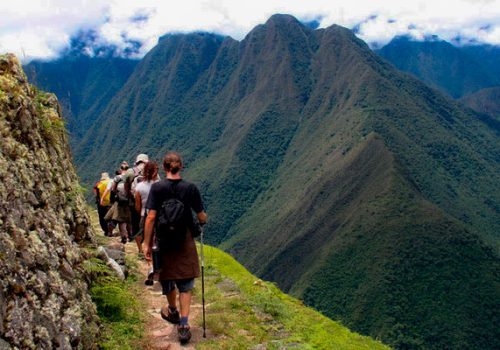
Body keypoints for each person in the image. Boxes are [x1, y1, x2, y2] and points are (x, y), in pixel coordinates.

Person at [143, 151, 207, 344]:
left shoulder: (157, 188)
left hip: (164, 240)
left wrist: (146, 243)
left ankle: (172, 310)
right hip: (184, 239)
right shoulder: (190, 188)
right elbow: (201, 216)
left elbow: (151, 217)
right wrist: (202, 221)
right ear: (181, 166)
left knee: (168, 278)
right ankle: (185, 324)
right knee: (186, 284)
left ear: (164, 168)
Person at [134, 161, 159, 257]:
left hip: (144, 214)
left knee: (142, 233)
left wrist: (141, 212)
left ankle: (142, 251)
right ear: (155, 172)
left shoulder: (139, 187)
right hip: (158, 215)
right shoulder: (160, 185)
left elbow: (137, 206)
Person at [104, 162, 133, 243]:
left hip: (119, 201)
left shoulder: (117, 178)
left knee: (120, 220)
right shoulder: (131, 177)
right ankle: (130, 235)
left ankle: (123, 236)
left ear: (121, 169)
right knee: (129, 220)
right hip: (129, 201)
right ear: (128, 169)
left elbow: (113, 189)